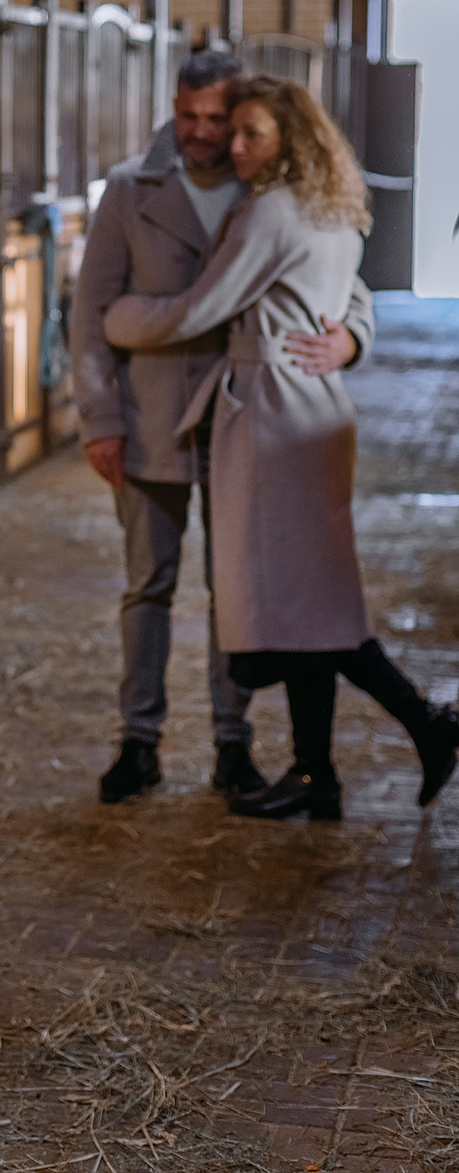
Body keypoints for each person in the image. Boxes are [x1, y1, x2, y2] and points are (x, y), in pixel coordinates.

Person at [103, 77, 458, 820]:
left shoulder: (268, 209)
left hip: (270, 412)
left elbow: (201, 307)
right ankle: (317, 771)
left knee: (303, 606)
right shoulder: (332, 204)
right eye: (230, 131)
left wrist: (123, 319)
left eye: (251, 133)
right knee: (310, 602)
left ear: (289, 137)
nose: (235, 145)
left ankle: (426, 721)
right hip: (314, 408)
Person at [71, 51, 376, 804]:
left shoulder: (268, 181)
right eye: (190, 116)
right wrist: (99, 418)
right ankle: (139, 740)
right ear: (172, 108)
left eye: (218, 118)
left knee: (234, 587)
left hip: (248, 418)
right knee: (149, 584)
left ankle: (230, 744)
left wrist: (353, 337)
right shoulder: (129, 189)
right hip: (152, 419)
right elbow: (87, 313)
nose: (205, 133)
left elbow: (341, 281)